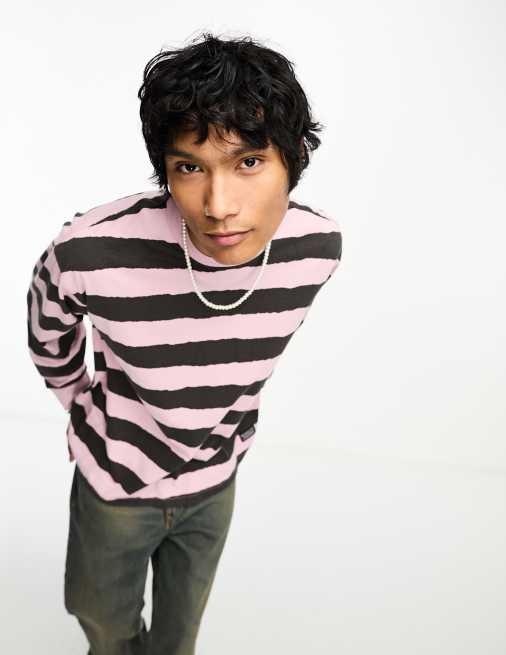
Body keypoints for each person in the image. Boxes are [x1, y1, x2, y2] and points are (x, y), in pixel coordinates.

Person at [26, 31, 343, 655]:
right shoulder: (91, 250)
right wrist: (82, 404)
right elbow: (47, 329)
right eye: (190, 168)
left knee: (179, 638)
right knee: (100, 619)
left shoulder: (316, 250)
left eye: (248, 162)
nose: (219, 206)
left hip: (215, 480)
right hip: (115, 481)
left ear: (293, 159)